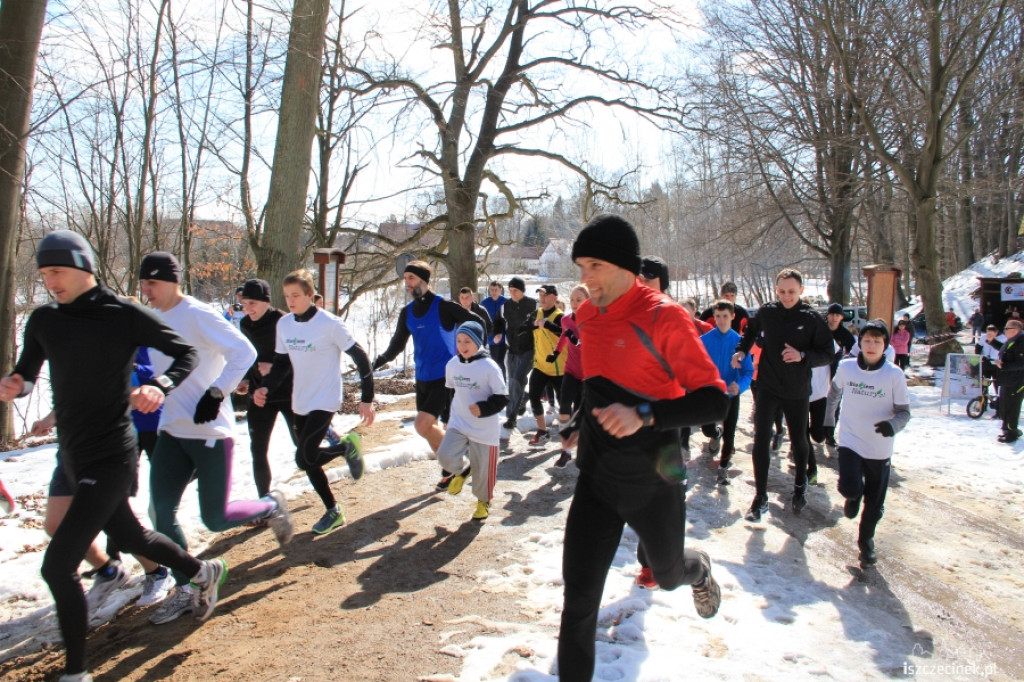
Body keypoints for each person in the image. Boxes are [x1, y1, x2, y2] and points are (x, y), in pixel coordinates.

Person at [0, 232, 230, 681]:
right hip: (71, 452)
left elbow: (185, 353)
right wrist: (16, 385)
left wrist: (158, 386)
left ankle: (76, 673)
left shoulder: (123, 315)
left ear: (84, 268)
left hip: (111, 453)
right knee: (133, 536)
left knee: (57, 564)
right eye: (44, 274)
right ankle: (202, 570)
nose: (50, 283)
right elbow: (27, 372)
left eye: (57, 272)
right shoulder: (44, 320)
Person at [557, 214, 727, 681]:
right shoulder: (587, 316)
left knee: (667, 574)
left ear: (625, 266)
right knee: (579, 603)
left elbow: (715, 402)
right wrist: (576, 422)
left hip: (656, 475)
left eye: (594, 266)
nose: (584, 279)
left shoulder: (663, 316)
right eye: (580, 267)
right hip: (597, 478)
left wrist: (645, 414)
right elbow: (597, 387)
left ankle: (698, 570)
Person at [139, 252, 293, 625]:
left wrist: (217, 392)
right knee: (160, 512)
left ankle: (270, 506)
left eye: (152, 284)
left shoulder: (197, 314)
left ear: (173, 281)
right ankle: (190, 584)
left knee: (216, 517)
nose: (146, 292)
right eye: (142, 284)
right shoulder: (150, 318)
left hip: (209, 430)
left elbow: (245, 351)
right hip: (172, 428)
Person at [254, 269, 375, 534]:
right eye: (286, 296)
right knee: (309, 460)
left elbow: (361, 357)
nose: (290, 301)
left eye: (296, 295)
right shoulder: (284, 325)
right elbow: (281, 364)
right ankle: (333, 510)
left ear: (310, 295)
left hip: (326, 398)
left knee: (303, 457)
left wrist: (367, 398)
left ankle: (345, 449)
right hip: (301, 399)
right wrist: (265, 387)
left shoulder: (329, 324)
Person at [732, 268, 834, 521]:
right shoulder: (768, 312)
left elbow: (828, 353)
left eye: (791, 291)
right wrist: (742, 350)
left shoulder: (811, 318)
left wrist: (802, 356)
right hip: (768, 385)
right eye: (782, 291)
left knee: (800, 440)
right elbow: (750, 331)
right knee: (761, 438)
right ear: (776, 290)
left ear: (801, 290)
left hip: (796, 390)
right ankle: (760, 496)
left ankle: (800, 485)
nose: (786, 296)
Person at [372, 261, 482, 489]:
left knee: (422, 425)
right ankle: (451, 469)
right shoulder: (407, 313)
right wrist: (376, 362)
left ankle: (459, 460)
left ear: (424, 280)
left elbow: (478, 322)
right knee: (431, 430)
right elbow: (396, 345)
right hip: (422, 377)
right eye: (405, 279)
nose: (407, 284)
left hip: (445, 377)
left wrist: (470, 353)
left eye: (411, 278)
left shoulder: (443, 306)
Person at [824, 320, 910, 565]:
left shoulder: (894, 375)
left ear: (885, 345)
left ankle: (866, 542)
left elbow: (905, 413)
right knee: (850, 486)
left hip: (879, 447)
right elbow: (834, 395)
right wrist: (829, 422)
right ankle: (852, 496)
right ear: (859, 342)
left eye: (877, 341)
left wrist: (892, 425)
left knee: (875, 502)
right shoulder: (847, 367)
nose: (872, 345)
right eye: (867, 340)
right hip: (851, 439)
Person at [437, 321, 508, 520]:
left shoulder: (489, 367)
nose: (462, 345)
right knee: (445, 456)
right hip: (459, 422)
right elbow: (449, 392)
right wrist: (445, 417)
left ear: (478, 342)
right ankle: (461, 471)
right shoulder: (452, 364)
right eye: (459, 341)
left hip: (484, 428)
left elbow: (502, 397)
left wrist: (483, 409)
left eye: (467, 341)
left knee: (484, 476)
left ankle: (483, 502)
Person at [236, 279, 297, 498]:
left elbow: (298, 357)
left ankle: (327, 498)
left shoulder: (282, 321)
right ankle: (264, 501)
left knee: (302, 449)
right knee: (258, 449)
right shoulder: (244, 325)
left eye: (252, 303)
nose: (247, 308)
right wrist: (246, 379)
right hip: (260, 395)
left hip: (288, 393)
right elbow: (251, 357)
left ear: (265, 302)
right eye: (244, 303)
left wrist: (274, 367)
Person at [699, 300, 753, 485]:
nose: (721, 320)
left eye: (725, 316)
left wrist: (740, 386)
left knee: (730, 433)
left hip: (731, 394)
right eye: (718, 317)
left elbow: (748, 372)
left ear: (732, 317)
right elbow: (695, 366)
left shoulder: (740, 343)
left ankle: (723, 466)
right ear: (713, 318)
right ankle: (715, 433)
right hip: (711, 394)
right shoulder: (704, 341)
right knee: (706, 428)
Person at [548, 285, 589, 468]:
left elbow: (590, 345)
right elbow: (564, 337)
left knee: (581, 413)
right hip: (571, 371)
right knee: (564, 407)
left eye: (578, 300)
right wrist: (556, 353)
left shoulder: (592, 321)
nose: (574, 303)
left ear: (588, 301)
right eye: (572, 300)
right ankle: (565, 450)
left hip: (587, 376)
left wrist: (577, 341)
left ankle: (583, 450)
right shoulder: (565, 320)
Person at [493, 277, 537, 431]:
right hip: (511, 351)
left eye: (515, 290)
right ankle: (524, 398)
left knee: (517, 379)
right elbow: (497, 321)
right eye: (510, 290)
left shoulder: (533, 305)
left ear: (522, 290)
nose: (513, 293)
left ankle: (511, 418)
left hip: (529, 350)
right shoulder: (505, 306)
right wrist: (498, 333)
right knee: (513, 382)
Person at [526, 285, 564, 446]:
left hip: (559, 368)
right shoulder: (537, 313)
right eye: (540, 295)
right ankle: (542, 431)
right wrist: (529, 325)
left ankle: (568, 433)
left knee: (564, 404)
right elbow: (523, 328)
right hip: (540, 365)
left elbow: (564, 333)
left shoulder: (560, 316)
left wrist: (547, 325)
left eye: (546, 295)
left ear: (555, 298)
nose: (542, 298)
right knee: (534, 396)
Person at [995, 319, 1024, 443]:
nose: (1004, 331)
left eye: (1007, 329)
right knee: (1005, 404)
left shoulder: (1021, 342)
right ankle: (1007, 429)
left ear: (1015, 330)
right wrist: (991, 342)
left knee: (1012, 405)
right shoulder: (1012, 341)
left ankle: (1011, 432)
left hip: (1017, 380)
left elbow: (1021, 363)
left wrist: (1004, 365)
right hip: (1007, 379)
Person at [480, 281, 508, 378]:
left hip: (504, 337)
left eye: (496, 290)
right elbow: (481, 320)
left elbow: (509, 322)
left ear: (501, 290)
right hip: (490, 338)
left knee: (499, 362)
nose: (494, 292)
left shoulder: (506, 302)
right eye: (492, 290)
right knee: (494, 362)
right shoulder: (484, 303)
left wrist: (503, 335)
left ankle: (502, 384)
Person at [976, 324, 1004, 418]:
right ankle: (982, 405)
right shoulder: (984, 337)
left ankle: (999, 409)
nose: (989, 336)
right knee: (984, 385)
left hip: (996, 365)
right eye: (988, 334)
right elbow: (978, 347)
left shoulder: (1003, 338)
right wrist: (979, 356)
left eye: (991, 334)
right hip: (986, 363)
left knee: (998, 387)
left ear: (996, 333)